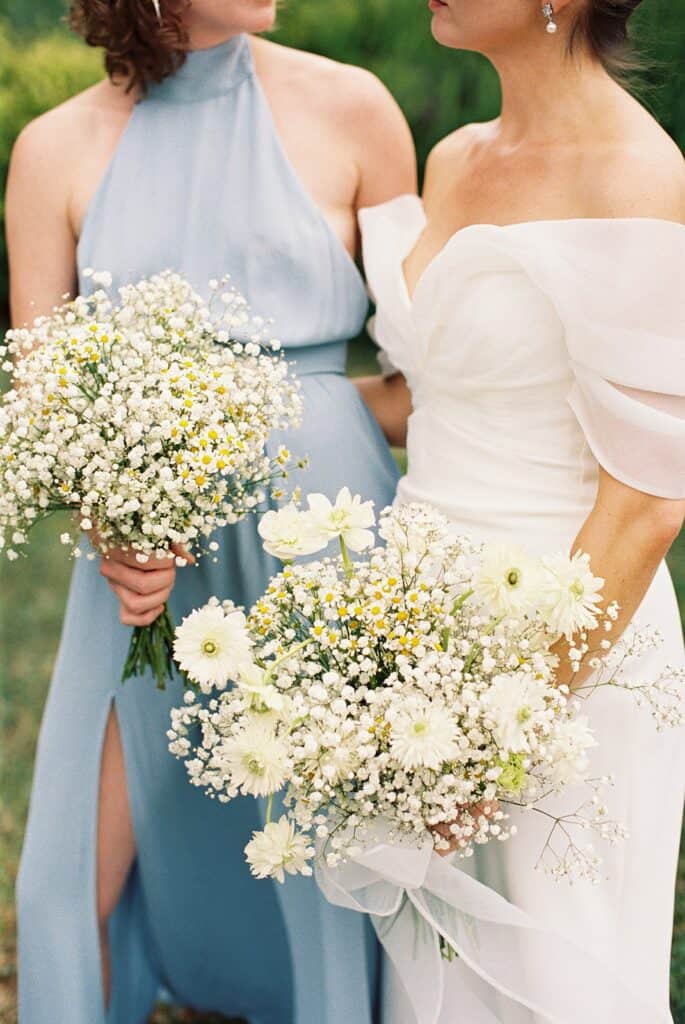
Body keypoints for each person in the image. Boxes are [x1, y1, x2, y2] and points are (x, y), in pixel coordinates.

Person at [8, 1, 416, 1020]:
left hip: (326, 542)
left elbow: (424, 384)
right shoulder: (52, 150)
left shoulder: (354, 110)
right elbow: (44, 404)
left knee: (337, 870)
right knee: (66, 883)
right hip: (143, 561)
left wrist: (288, 419)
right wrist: (116, 524)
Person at [357, 0, 685, 1020]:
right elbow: (431, 395)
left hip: (565, 635)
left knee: (554, 977)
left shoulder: (635, 175)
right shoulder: (452, 157)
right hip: (414, 617)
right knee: (431, 975)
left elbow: (646, 502)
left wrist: (505, 733)